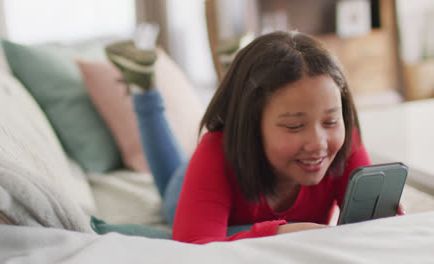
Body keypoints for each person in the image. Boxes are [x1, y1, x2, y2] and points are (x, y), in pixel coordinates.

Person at [105, 30, 402, 245]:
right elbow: (195, 248)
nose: (318, 143)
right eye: (294, 126)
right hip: (205, 175)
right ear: (251, 124)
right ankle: (143, 89)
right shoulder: (215, 153)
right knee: (171, 185)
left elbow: (382, 232)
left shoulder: (342, 141)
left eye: (331, 121)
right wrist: (285, 233)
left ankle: (234, 68)